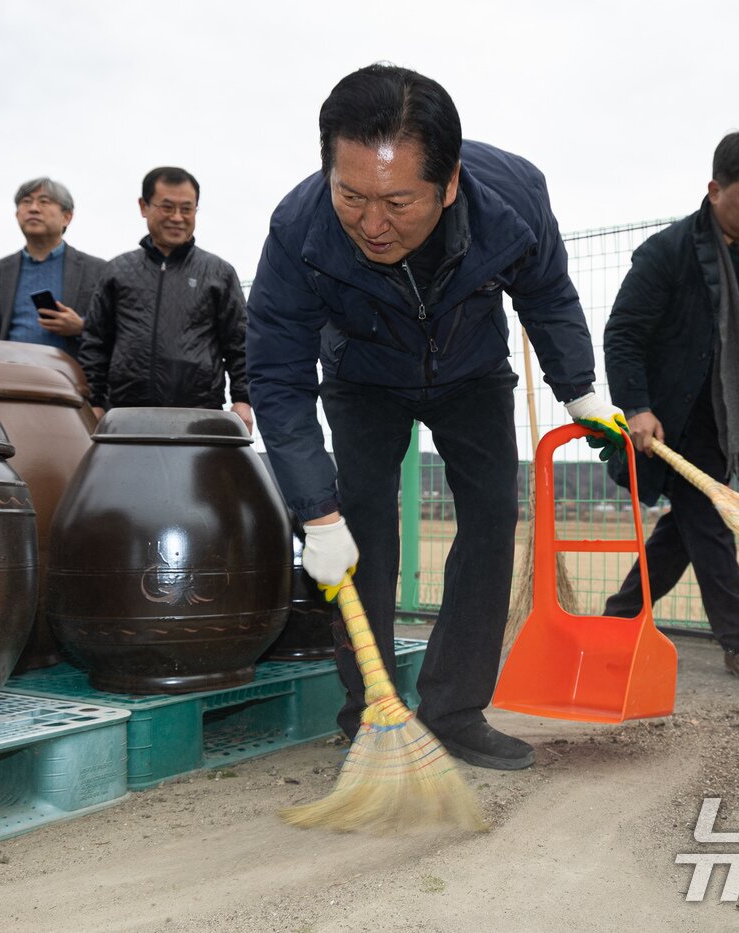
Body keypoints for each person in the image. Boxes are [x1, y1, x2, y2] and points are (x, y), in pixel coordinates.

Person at [245, 64, 626, 771]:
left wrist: (578, 387)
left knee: (489, 516)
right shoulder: (300, 232)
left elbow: (545, 292)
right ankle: (371, 715)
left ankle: (454, 710)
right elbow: (276, 373)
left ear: (448, 184)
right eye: (350, 195)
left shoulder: (513, 199)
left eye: (396, 201)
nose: (370, 223)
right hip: (362, 373)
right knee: (360, 528)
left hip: (470, 367)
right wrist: (315, 512)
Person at [601, 131, 739, 684]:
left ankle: (617, 620)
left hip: (733, 418)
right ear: (714, 189)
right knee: (710, 520)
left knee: (684, 529)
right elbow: (623, 334)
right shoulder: (668, 252)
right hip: (675, 418)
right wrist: (636, 406)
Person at [78, 167, 252, 432]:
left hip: (200, 416)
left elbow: (239, 342)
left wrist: (242, 400)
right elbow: (95, 342)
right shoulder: (117, 271)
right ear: (143, 206)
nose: (177, 218)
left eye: (187, 208)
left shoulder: (219, 272)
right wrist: (94, 401)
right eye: (167, 207)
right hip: (125, 416)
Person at [0, 177, 107, 359]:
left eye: (44, 202)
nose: (33, 208)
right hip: (7, 378)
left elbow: (117, 329)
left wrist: (81, 327)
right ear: (17, 214)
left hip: (70, 380)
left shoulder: (97, 270)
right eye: (26, 202)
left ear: (66, 217)